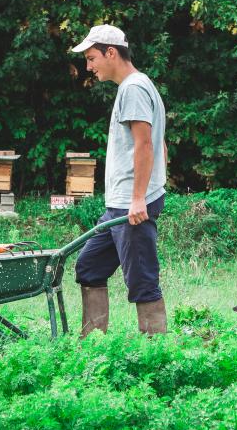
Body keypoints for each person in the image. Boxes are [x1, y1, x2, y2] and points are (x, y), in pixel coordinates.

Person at [70, 24, 167, 336]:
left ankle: (156, 352)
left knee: (141, 278)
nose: (89, 66)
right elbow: (160, 143)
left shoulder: (134, 88)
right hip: (121, 204)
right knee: (89, 267)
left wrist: (141, 198)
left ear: (111, 53)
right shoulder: (137, 86)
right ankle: (94, 346)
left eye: (91, 58)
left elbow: (145, 144)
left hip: (131, 205)